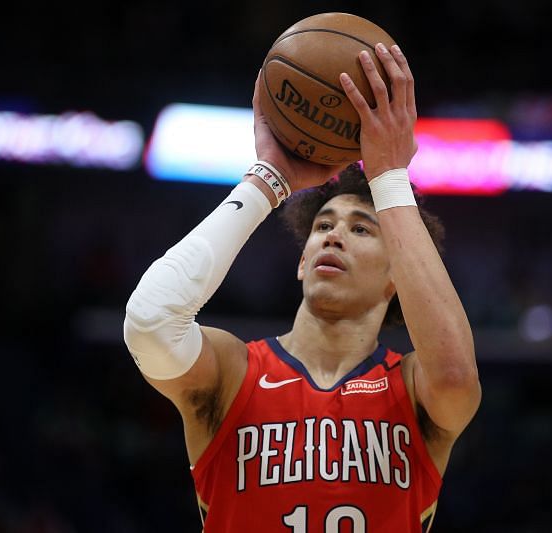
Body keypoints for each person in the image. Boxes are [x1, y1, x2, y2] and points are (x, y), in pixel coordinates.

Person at [123, 42, 481, 532]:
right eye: (323, 226)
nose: (333, 234)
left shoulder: (416, 389)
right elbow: (149, 324)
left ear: (399, 275)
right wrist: (266, 180)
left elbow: (458, 377)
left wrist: (390, 178)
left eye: (361, 229)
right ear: (302, 261)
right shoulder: (233, 373)